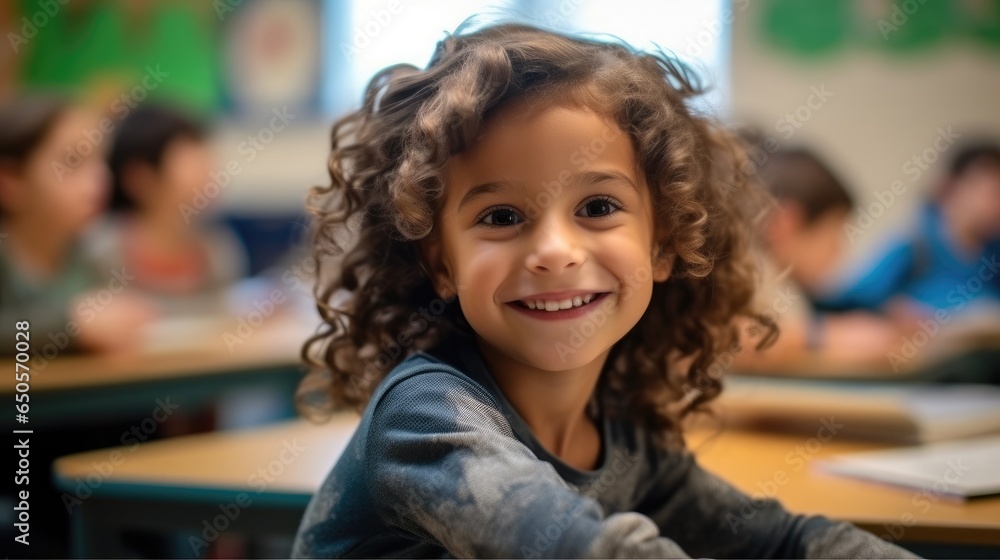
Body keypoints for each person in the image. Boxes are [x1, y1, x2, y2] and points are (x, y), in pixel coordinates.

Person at [292, 24, 916, 558]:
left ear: (664, 243)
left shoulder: (621, 434)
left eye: (596, 205)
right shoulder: (427, 417)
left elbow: (776, 542)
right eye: (502, 217)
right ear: (442, 264)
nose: (555, 251)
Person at [0, 97, 152, 355]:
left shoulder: (89, 255)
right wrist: (71, 327)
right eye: (73, 161)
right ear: (11, 181)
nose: (100, 179)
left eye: (101, 160)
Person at [735, 148, 901, 372]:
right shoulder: (743, 270)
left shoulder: (783, 283)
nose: (839, 252)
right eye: (833, 234)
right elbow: (732, 340)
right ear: (787, 222)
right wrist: (827, 335)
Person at [93, 104, 247, 315]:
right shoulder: (100, 256)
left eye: (208, 162)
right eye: (193, 164)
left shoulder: (218, 252)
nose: (211, 176)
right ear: (140, 178)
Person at [818, 143, 1000, 317]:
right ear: (950, 188)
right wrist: (891, 311)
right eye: (993, 193)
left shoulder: (993, 252)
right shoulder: (913, 243)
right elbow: (848, 301)